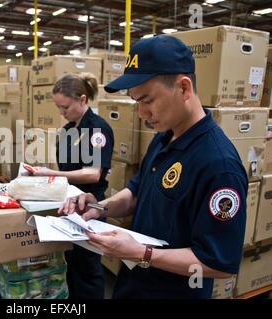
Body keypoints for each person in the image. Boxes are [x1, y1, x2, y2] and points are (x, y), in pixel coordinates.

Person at [61, 35, 247, 299]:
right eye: (136, 101)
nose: (141, 113)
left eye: (147, 100)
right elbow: (136, 193)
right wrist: (98, 207)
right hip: (133, 285)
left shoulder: (218, 165)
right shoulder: (164, 138)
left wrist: (141, 253)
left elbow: (218, 263)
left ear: (184, 88)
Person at [30, 72, 114, 299]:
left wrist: (51, 172)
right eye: (58, 108)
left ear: (83, 99)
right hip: (68, 203)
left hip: (90, 206)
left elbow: (93, 173)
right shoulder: (68, 130)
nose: (61, 113)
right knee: (71, 265)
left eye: (65, 107)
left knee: (87, 267)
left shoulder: (97, 129)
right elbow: (68, 172)